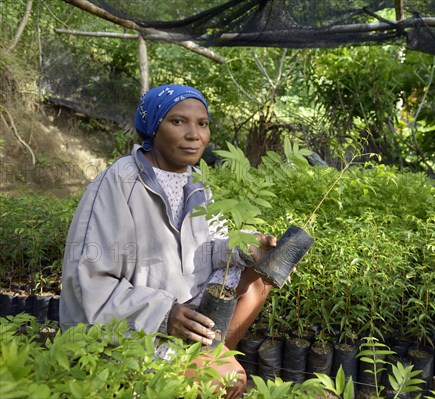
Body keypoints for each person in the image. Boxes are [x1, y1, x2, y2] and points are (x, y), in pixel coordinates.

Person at [59, 84, 276, 398]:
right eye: (178, 122)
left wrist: (247, 247)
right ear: (153, 127)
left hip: (183, 313)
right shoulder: (120, 183)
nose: (194, 134)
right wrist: (164, 315)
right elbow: (89, 282)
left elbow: (208, 248)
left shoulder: (196, 181)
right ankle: (191, 373)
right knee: (227, 380)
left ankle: (206, 356)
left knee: (257, 280)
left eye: (202, 124)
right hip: (131, 328)